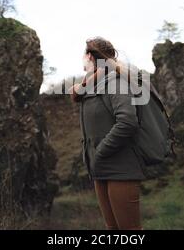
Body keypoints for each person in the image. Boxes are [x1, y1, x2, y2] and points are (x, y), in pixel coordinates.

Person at [69, 37, 147, 230]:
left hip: (120, 168)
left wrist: (101, 151)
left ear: (89, 57)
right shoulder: (93, 85)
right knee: (111, 228)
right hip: (100, 167)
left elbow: (128, 122)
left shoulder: (116, 82)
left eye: (84, 54)